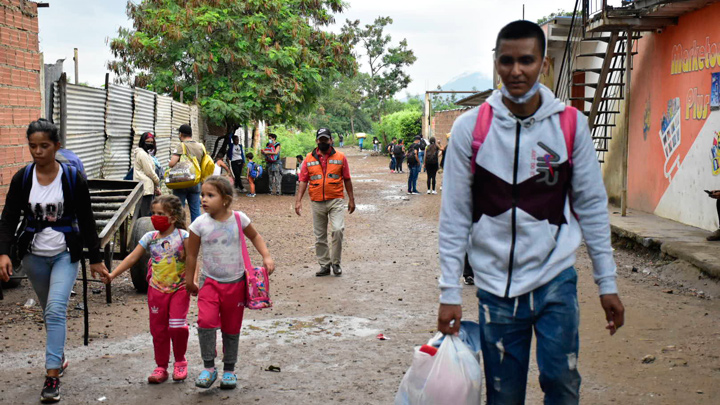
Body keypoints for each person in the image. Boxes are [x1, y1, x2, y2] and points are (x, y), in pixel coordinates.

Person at [437, 20, 624, 404]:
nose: (516, 70)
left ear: (543, 64)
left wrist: (607, 283)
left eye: (526, 60)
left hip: (556, 281)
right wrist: (450, 291)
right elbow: (455, 215)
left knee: (562, 382)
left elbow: (591, 207)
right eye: (507, 61)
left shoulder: (571, 126)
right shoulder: (469, 130)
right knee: (503, 395)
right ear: (496, 63)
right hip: (495, 290)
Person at [0, 119, 109, 403]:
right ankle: (58, 357)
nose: (37, 152)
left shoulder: (72, 178)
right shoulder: (23, 178)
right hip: (33, 257)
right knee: (50, 310)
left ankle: (51, 376)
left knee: (56, 309)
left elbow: (86, 220)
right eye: (32, 146)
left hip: (65, 254)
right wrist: (3, 252)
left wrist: (95, 259)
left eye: (44, 146)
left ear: (56, 146)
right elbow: (9, 217)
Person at [185, 176, 275, 390]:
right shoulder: (199, 224)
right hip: (209, 283)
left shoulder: (239, 219)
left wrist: (267, 256)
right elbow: (191, 255)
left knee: (231, 328)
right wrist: (190, 280)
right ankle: (209, 367)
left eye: (210, 195)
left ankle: (229, 370)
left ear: (225, 199)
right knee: (205, 323)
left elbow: (255, 237)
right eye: (202, 195)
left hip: (235, 283)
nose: (203, 200)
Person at [104, 195, 190, 384]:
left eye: (161, 214)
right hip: (156, 291)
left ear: (173, 217)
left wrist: (192, 282)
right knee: (158, 331)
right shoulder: (149, 238)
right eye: (153, 213)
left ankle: (180, 361)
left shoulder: (184, 236)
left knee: (177, 327)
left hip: (179, 289)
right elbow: (131, 258)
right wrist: (112, 275)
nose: (155, 217)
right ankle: (161, 367)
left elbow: (193, 260)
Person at [295, 128, 356, 276]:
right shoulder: (308, 159)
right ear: (317, 141)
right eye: (321, 140)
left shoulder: (341, 157)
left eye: (326, 139)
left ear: (331, 140)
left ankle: (336, 263)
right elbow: (303, 180)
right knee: (320, 235)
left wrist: (352, 199)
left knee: (337, 229)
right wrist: (298, 201)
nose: (323, 142)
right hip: (316, 201)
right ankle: (324, 265)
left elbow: (347, 178)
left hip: (335, 199)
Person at [168, 124, 207, 223]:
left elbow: (172, 163)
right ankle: (196, 234)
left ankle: (180, 233)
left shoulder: (181, 146)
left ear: (181, 134)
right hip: (195, 182)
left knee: (179, 210)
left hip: (182, 181)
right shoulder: (200, 146)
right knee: (196, 210)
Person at [134, 132, 161, 217]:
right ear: (143, 142)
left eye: (151, 142)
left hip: (147, 188)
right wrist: (157, 181)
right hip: (145, 189)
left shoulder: (146, 154)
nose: (150, 144)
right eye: (147, 142)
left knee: (142, 214)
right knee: (145, 215)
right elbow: (149, 172)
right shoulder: (142, 154)